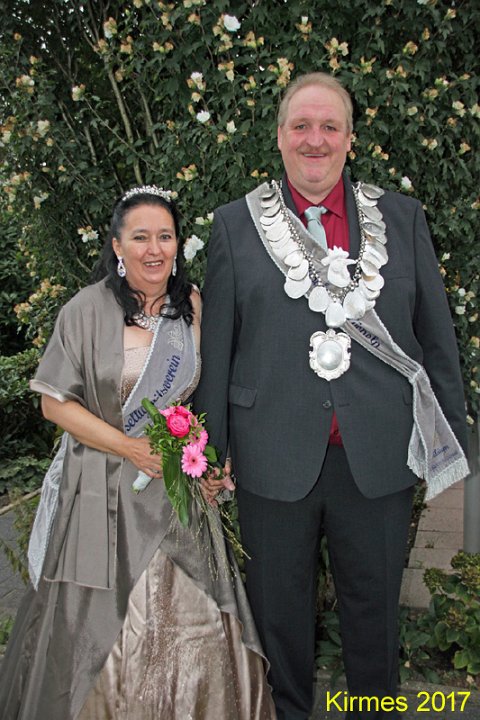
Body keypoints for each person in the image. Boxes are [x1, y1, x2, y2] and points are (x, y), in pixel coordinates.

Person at [194, 73, 469, 720]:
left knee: (374, 621)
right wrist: (208, 450)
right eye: (301, 126)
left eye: (329, 126)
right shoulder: (236, 225)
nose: (314, 140)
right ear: (280, 137)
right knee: (277, 619)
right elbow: (220, 347)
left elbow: (436, 336)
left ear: (349, 138)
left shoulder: (401, 218)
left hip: (377, 457)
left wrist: (447, 440)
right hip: (270, 456)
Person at [0, 186, 276, 720]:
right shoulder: (86, 310)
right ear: (117, 246)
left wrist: (211, 461)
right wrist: (129, 446)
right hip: (101, 493)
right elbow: (54, 404)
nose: (154, 249)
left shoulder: (193, 306)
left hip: (176, 498)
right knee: (95, 626)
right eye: (141, 237)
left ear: (178, 244)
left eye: (165, 237)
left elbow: (205, 394)